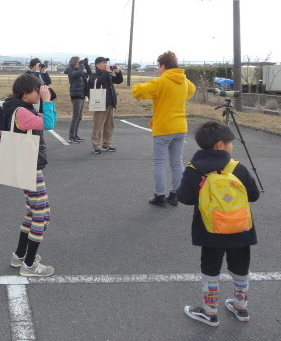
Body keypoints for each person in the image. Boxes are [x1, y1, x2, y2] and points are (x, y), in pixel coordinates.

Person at [178, 121, 260, 327]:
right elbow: (254, 195)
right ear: (220, 145)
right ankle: (241, 307)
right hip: (240, 228)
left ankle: (210, 311)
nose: (232, 146)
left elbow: (185, 197)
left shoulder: (194, 169)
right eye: (231, 143)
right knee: (241, 267)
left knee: (210, 267)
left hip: (210, 229)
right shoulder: (236, 167)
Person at [2, 74, 57, 277]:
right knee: (41, 215)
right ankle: (30, 264)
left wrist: (47, 101)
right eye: (36, 90)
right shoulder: (22, 113)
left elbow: (51, 120)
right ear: (25, 94)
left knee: (33, 212)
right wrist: (48, 102)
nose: (39, 93)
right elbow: (49, 124)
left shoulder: (21, 109)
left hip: (25, 165)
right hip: (29, 167)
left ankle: (19, 255)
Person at [131, 50, 196, 207]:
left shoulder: (161, 82)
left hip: (163, 128)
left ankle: (159, 195)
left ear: (164, 66)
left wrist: (142, 94)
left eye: (158, 67)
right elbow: (192, 90)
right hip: (180, 127)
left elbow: (137, 89)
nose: (158, 70)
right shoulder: (185, 82)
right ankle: (175, 194)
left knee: (159, 162)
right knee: (176, 163)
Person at [88, 57, 123, 153]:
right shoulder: (94, 75)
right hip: (100, 103)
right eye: (103, 62)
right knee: (98, 125)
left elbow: (119, 81)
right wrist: (107, 73)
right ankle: (96, 145)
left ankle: (107, 144)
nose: (106, 64)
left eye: (106, 62)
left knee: (109, 125)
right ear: (97, 65)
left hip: (110, 103)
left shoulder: (107, 75)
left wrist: (118, 72)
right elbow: (97, 82)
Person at [64, 56, 91, 144]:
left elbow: (89, 74)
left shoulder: (79, 70)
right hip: (76, 95)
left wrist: (86, 64)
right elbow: (78, 73)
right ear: (74, 63)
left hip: (82, 95)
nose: (80, 64)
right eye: (78, 63)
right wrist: (82, 66)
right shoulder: (71, 70)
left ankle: (75, 135)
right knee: (75, 117)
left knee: (79, 117)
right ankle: (71, 137)